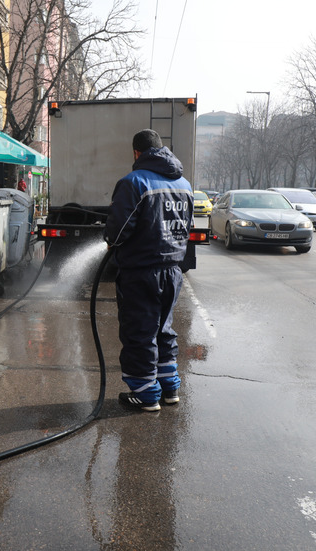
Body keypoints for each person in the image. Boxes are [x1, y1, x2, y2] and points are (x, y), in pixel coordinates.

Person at [104, 129, 193, 412]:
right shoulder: (185, 184)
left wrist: (112, 242)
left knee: (139, 333)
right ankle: (169, 388)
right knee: (163, 330)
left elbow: (119, 229)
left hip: (142, 272)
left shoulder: (134, 182)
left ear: (136, 153)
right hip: (173, 271)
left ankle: (145, 394)